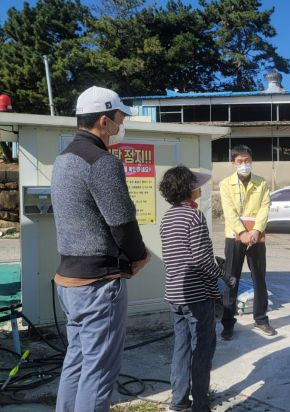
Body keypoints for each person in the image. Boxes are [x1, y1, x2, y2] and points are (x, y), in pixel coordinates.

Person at [51, 86, 150, 412]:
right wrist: (139, 256)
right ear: (104, 121)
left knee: (77, 361)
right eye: (119, 119)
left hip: (69, 281)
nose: (121, 126)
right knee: (98, 372)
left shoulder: (64, 159)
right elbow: (121, 221)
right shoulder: (101, 162)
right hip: (98, 284)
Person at [159, 166, 235, 412]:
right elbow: (202, 260)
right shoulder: (194, 216)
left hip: (174, 293)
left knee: (181, 348)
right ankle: (201, 404)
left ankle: (179, 401)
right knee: (202, 350)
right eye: (197, 185)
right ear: (189, 190)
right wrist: (224, 277)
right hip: (196, 295)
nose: (200, 188)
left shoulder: (168, 216)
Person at [219, 145, 275, 339]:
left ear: (252, 161)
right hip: (234, 237)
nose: (244, 164)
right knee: (231, 279)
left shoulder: (262, 183)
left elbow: (265, 208)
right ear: (233, 163)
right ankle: (227, 323)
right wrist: (242, 232)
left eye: (247, 160)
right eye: (240, 161)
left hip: (256, 237)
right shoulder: (226, 184)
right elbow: (229, 211)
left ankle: (261, 318)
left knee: (259, 278)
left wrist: (256, 230)